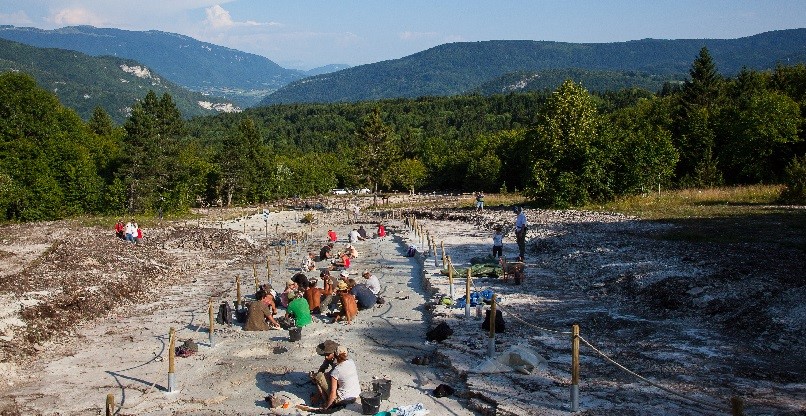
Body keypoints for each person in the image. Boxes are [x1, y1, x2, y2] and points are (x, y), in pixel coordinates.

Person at [322, 345, 360, 410]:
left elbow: (333, 393)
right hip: (356, 395)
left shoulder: (336, 371)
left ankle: (325, 401)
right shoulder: (351, 362)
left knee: (319, 377)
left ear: (335, 355)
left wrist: (327, 407)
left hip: (344, 400)